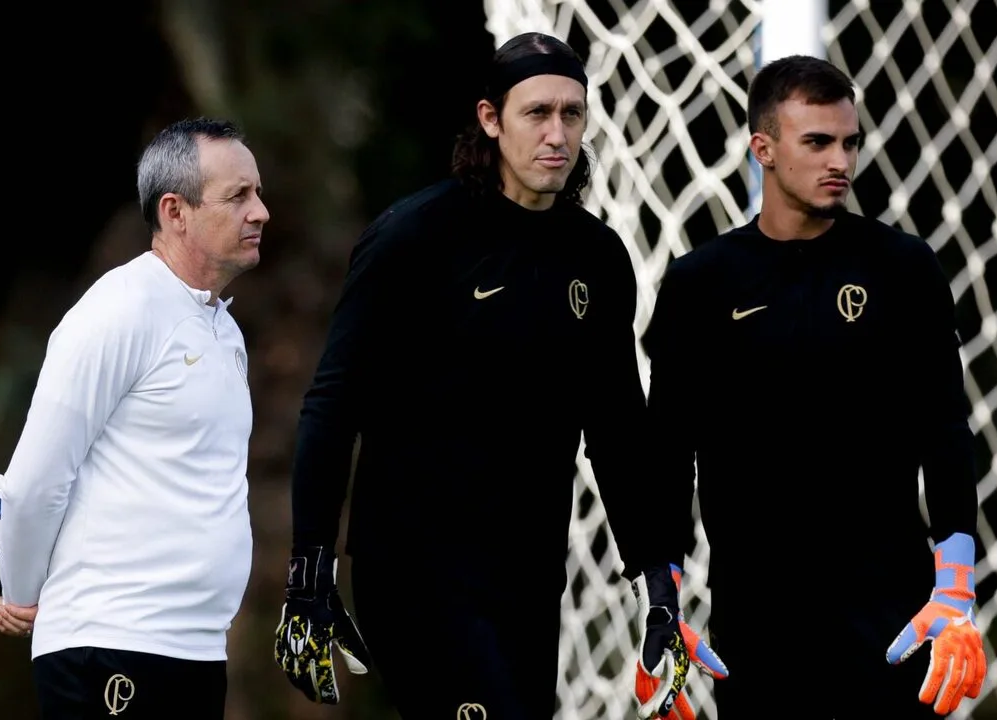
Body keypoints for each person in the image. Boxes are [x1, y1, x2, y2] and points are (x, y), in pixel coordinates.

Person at [271, 31, 727, 720]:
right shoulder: (413, 237)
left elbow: (618, 430)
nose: (557, 133)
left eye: (572, 114)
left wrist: (657, 584)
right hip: (417, 567)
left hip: (530, 575)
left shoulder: (597, 259)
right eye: (536, 113)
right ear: (490, 119)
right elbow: (334, 404)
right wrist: (310, 567)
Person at [641, 54, 987, 718]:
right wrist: (663, 598)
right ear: (763, 148)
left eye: (850, 142)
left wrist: (956, 585)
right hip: (757, 623)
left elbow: (945, 429)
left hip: (891, 620)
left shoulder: (903, 268)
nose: (841, 160)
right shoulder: (701, 283)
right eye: (818, 142)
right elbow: (667, 455)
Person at [0, 117, 268, 719]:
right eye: (238, 195)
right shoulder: (119, 310)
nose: (261, 211)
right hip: (113, 646)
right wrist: (21, 596)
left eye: (258, 192)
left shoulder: (225, 330)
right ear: (175, 211)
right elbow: (38, 478)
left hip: (194, 651)